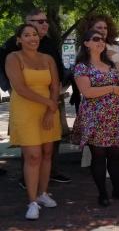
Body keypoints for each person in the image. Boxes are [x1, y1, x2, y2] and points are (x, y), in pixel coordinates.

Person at [0, 8, 71, 189]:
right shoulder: (12, 44)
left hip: (53, 97)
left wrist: (58, 91)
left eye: (45, 21)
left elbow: (58, 67)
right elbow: (3, 67)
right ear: (28, 22)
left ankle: (50, 174)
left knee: (51, 143)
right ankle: (28, 179)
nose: (45, 24)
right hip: (27, 102)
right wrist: (9, 88)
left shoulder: (49, 43)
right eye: (39, 21)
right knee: (31, 145)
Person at [6, 24, 61, 220]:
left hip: (48, 110)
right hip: (25, 110)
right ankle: (32, 202)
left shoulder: (48, 59)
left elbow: (55, 85)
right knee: (33, 156)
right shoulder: (13, 58)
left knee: (47, 153)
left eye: (35, 34)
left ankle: (43, 193)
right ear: (19, 39)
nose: (32, 38)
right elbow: (20, 88)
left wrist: (50, 108)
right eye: (27, 35)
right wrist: (49, 103)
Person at [72, 30, 119, 207]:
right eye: (95, 39)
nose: (100, 42)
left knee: (115, 154)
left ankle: (117, 190)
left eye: (103, 39)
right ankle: (102, 194)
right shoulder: (82, 66)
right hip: (94, 117)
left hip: (112, 116)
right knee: (99, 156)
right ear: (86, 43)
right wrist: (113, 89)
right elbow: (87, 92)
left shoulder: (110, 64)